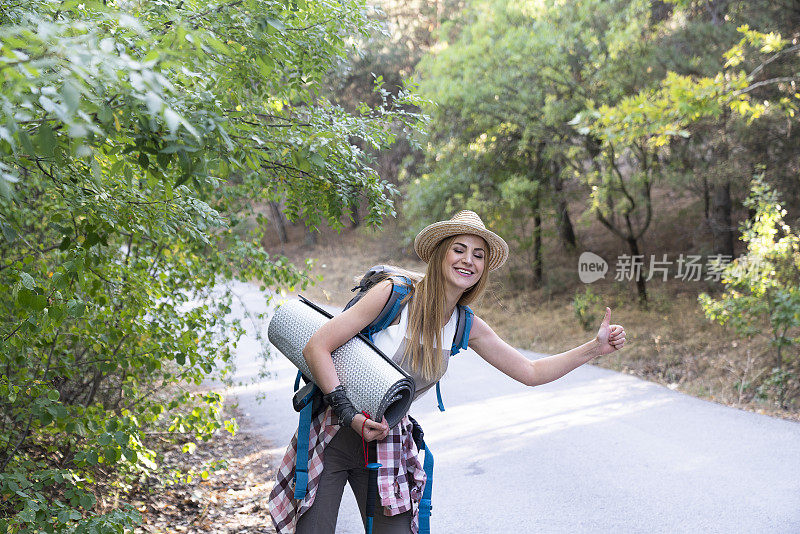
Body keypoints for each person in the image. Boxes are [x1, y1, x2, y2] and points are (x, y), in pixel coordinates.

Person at [268, 210, 626, 534]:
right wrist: (350, 416)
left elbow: (530, 371)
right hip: (332, 435)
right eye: (459, 249)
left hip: (388, 443)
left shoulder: (464, 325)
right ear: (441, 254)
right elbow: (317, 346)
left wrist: (594, 348)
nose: (468, 260)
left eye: (478, 254)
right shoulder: (394, 295)